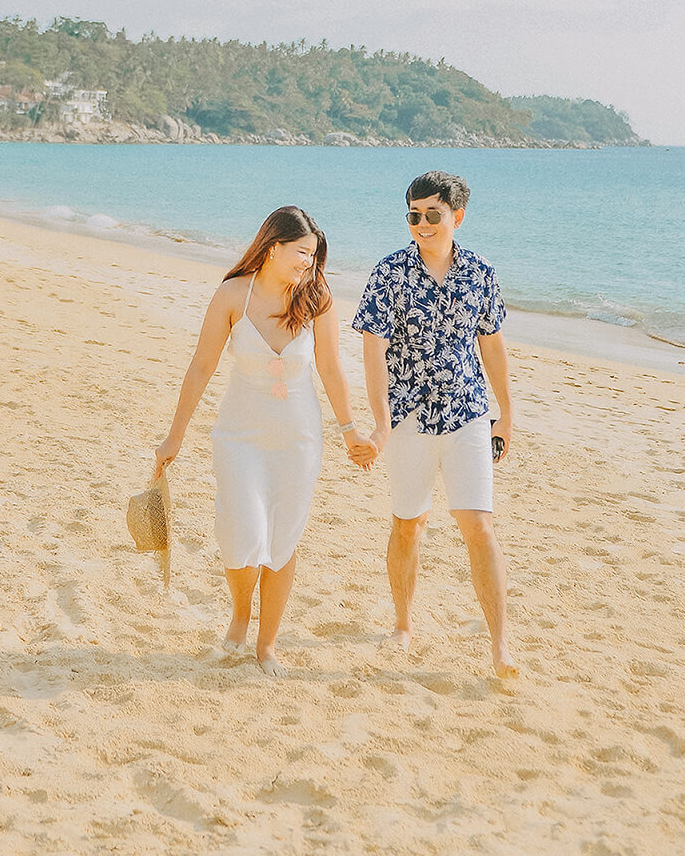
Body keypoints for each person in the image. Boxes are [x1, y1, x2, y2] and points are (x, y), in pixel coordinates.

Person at [154, 205, 371, 676]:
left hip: (298, 438)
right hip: (239, 435)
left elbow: (332, 368)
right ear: (273, 248)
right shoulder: (234, 294)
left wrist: (349, 430)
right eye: (301, 253)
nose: (308, 265)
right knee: (242, 535)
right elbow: (201, 367)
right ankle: (239, 612)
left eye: (313, 256)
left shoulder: (317, 299)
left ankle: (266, 644)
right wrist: (175, 436)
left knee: (282, 540)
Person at [353, 170, 518, 679]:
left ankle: (500, 646)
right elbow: (373, 351)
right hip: (409, 419)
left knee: (479, 526)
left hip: (469, 413)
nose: (421, 224)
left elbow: (491, 343)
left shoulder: (481, 272)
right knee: (409, 523)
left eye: (432, 215)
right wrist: (381, 424)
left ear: (457, 217)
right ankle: (403, 623)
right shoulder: (390, 273)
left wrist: (506, 413)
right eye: (413, 215)